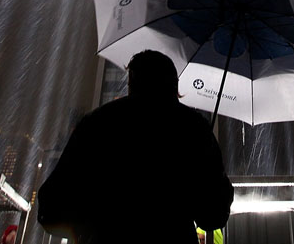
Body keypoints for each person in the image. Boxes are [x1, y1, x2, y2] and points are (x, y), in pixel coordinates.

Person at [37, 50, 233, 244]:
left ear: (131, 82)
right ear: (175, 85)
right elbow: (213, 216)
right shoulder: (194, 129)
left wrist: (91, 225)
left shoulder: (98, 123)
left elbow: (51, 209)